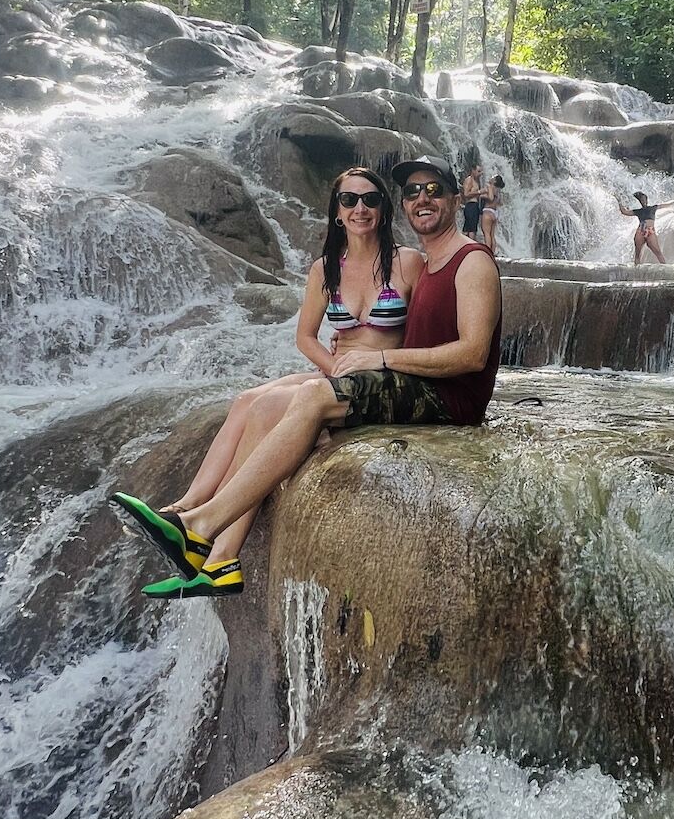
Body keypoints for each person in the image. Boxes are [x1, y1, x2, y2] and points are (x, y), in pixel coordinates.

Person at [112, 154, 502, 600]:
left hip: (439, 397)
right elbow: (413, 330)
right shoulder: (428, 262)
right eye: (412, 191)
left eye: (433, 189)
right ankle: (213, 549)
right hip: (402, 382)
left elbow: (472, 354)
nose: (421, 198)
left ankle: (200, 528)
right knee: (255, 403)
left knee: (309, 399)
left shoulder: (466, 261)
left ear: (458, 197)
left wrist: (379, 361)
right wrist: (353, 359)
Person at [619, 189, 674, 265]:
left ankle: (665, 267)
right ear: (640, 201)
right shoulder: (638, 211)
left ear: (647, 200)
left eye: (644, 199)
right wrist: (618, 200)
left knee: (658, 252)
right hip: (640, 230)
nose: (643, 201)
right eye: (641, 200)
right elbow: (624, 212)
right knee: (637, 253)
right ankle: (636, 271)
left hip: (650, 230)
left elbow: (666, 204)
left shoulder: (652, 208)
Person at [479, 173, 505, 256]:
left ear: (494, 181)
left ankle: (487, 253)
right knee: (492, 235)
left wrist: (482, 196)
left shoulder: (490, 186)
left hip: (487, 211)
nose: (490, 177)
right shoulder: (498, 190)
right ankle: (492, 253)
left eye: (492, 177)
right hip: (495, 213)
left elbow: (490, 197)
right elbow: (500, 203)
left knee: (486, 234)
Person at [460, 163, 486, 240]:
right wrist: (479, 192)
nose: (481, 174)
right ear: (473, 170)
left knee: (467, 229)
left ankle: (462, 247)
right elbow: (466, 193)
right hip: (471, 206)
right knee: (472, 229)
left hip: (474, 206)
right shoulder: (469, 180)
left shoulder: (476, 181)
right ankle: (472, 247)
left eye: (481, 172)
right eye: (479, 171)